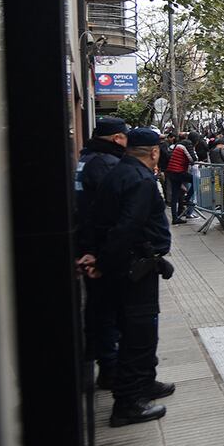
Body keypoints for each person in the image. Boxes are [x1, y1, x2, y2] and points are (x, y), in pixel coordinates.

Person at [82, 128, 176, 427]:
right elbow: (127, 228)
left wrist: (99, 257)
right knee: (138, 334)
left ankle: (144, 383)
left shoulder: (119, 171)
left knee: (137, 330)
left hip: (129, 265)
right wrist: (104, 262)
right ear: (154, 152)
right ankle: (128, 403)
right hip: (133, 268)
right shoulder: (139, 180)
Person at [76, 117, 129, 390]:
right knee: (109, 310)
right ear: (117, 138)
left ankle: (99, 359)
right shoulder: (106, 164)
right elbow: (112, 211)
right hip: (100, 248)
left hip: (90, 246)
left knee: (98, 309)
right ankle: (110, 368)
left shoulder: (86, 159)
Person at [165, 135, 196, 225]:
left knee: (175, 197)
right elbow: (193, 159)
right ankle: (187, 198)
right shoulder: (188, 144)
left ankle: (175, 218)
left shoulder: (178, 144)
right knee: (196, 180)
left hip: (171, 171)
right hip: (178, 171)